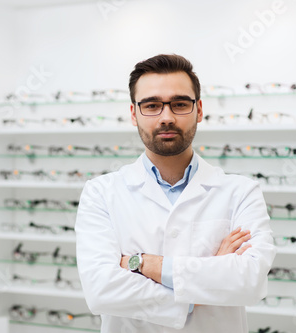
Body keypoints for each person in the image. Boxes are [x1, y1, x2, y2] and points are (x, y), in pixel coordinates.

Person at [75, 54, 276, 332]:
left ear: (199, 110)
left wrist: (143, 263)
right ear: (134, 113)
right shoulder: (101, 193)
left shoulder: (240, 192)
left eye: (180, 104)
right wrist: (204, 287)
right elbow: (101, 290)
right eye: (152, 105)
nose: (166, 117)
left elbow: (250, 282)